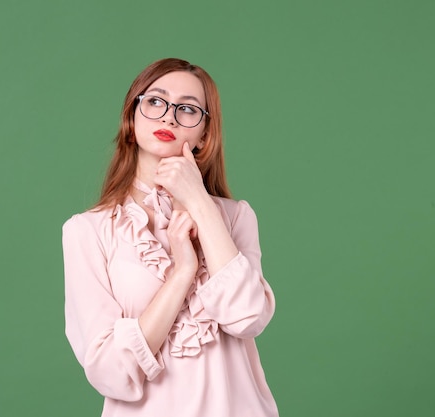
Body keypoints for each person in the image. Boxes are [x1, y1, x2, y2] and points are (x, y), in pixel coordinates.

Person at [62, 58, 278, 417]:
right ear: (132, 119)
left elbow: (247, 316)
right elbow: (109, 372)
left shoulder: (236, 216)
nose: (169, 117)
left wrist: (197, 200)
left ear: (205, 135)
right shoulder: (88, 231)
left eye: (188, 109)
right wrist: (182, 273)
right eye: (155, 101)